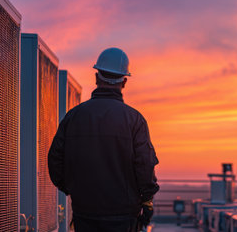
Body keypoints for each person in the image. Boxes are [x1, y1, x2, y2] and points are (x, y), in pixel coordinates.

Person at [48, 47, 159, 232]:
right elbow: (145, 165)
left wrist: (74, 190)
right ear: (124, 82)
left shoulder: (73, 117)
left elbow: (55, 162)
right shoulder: (134, 120)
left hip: (84, 212)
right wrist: (147, 201)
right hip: (124, 216)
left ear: (96, 78)